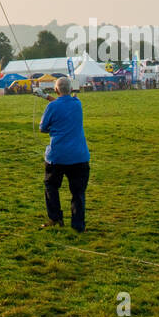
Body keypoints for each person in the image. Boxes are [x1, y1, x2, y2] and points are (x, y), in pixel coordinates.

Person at [38, 76, 90, 232]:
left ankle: (55, 218)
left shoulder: (52, 107)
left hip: (57, 156)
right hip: (79, 156)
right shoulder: (77, 104)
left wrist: (43, 96)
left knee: (51, 186)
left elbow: (43, 128)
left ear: (56, 89)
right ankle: (78, 225)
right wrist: (45, 97)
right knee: (78, 192)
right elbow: (63, 103)